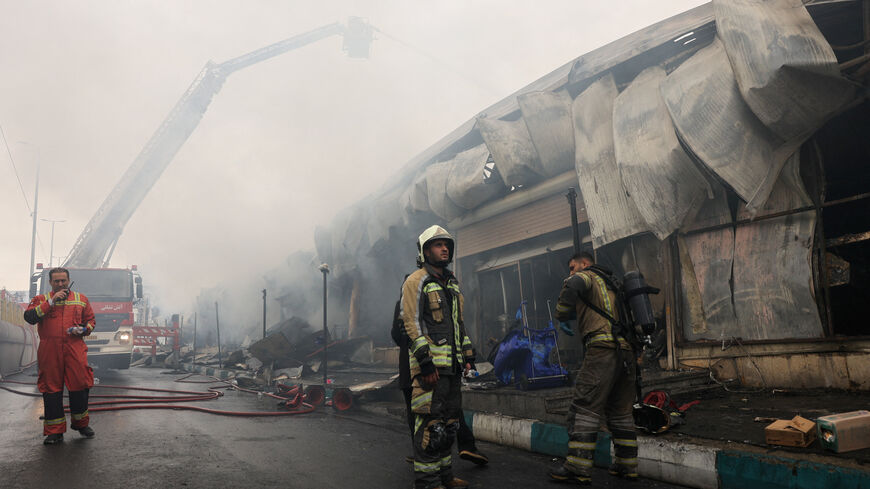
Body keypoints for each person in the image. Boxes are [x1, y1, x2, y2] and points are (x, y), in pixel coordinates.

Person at [548, 251, 638, 485]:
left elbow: (572, 284)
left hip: (602, 350)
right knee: (621, 411)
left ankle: (577, 466)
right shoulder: (613, 284)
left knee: (584, 407)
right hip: (626, 352)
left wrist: (562, 315)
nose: (570, 272)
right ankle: (627, 465)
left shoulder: (587, 275)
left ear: (585, 264)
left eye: (572, 266)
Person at [400, 225, 476, 489]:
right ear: (425, 251)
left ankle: (445, 477)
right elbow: (411, 323)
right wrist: (424, 362)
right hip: (430, 369)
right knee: (430, 426)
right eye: (437, 244)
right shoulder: (416, 280)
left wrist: (468, 356)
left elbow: (459, 325)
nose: (444, 248)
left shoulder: (452, 283)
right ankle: (428, 481)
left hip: (452, 369)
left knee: (449, 425)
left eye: (446, 244)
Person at [391, 282, 488, 466]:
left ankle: (423, 453)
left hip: (412, 369)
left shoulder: (403, 304)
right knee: (449, 409)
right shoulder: (431, 299)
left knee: (419, 415)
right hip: (433, 365)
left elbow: (396, 334)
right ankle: (465, 445)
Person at [23, 267, 96, 445]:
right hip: (50, 350)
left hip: (75, 348)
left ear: (68, 279)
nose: (61, 284)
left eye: (63, 280)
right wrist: (51, 302)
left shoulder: (81, 299)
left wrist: (85, 329)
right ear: (50, 283)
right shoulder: (41, 300)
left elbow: (91, 321)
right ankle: (55, 431)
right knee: (51, 389)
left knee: (80, 385)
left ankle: (80, 424)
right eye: (57, 281)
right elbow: (30, 317)